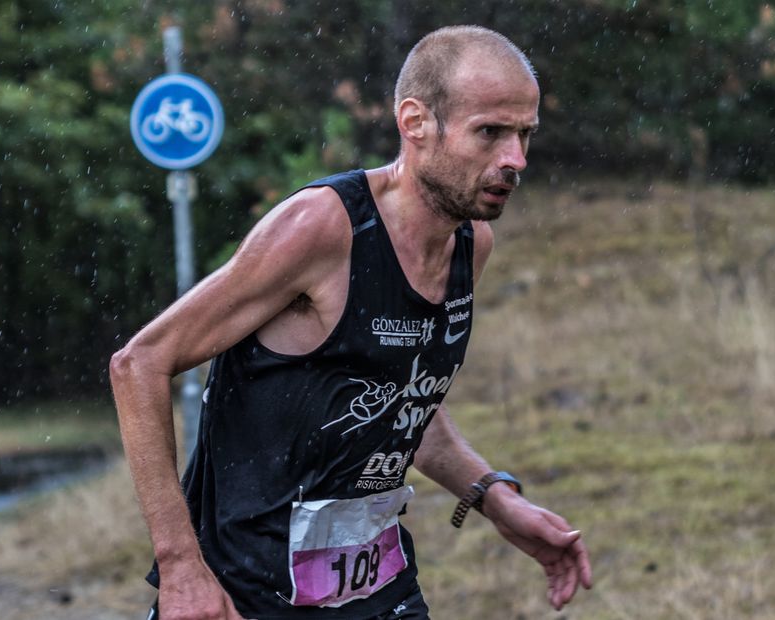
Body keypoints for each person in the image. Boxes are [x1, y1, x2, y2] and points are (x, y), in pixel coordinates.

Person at [109, 25, 592, 620]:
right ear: (415, 122)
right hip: (245, 598)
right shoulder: (324, 229)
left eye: (524, 135)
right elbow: (139, 364)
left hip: (375, 590)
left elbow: (399, 393)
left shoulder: (471, 244)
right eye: (490, 132)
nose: (515, 159)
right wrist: (182, 568)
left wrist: (492, 496)